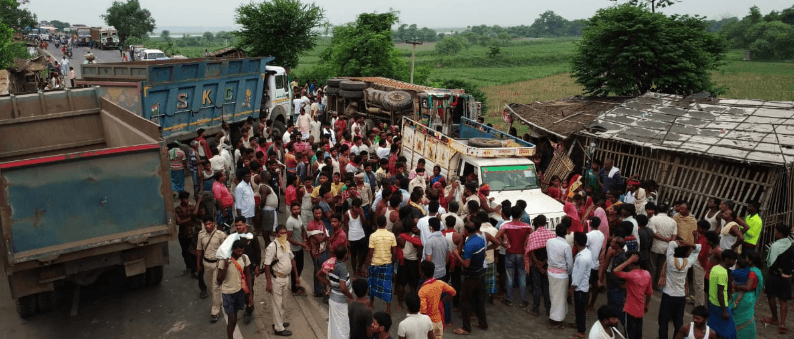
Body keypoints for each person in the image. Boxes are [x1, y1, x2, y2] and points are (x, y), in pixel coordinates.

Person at [658, 240, 701, 339]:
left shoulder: (670, 261)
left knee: (663, 322)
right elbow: (698, 249)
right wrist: (689, 243)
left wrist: (678, 243)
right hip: (680, 297)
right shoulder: (687, 263)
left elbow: (671, 244)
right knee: (678, 323)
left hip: (668, 296)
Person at [451, 221, 488, 335]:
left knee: (465, 301)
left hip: (471, 276)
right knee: (479, 300)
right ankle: (483, 323)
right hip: (480, 273)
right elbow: (484, 254)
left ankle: (466, 328)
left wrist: (457, 255)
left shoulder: (469, 245)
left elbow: (466, 264)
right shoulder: (481, 239)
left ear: (466, 231)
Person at [263, 225, 300, 337]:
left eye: (285, 233)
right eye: (280, 233)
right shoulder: (272, 246)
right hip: (277, 279)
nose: (283, 235)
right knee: (277, 303)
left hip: (286, 278)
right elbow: (267, 266)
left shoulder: (287, 244)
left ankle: (279, 322)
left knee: (283, 302)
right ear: (276, 234)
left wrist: (296, 277)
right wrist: (268, 283)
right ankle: (278, 328)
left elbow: (292, 260)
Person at [496, 206, 533, 308]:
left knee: (509, 276)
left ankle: (509, 300)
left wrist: (505, 245)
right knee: (522, 277)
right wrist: (526, 245)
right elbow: (533, 236)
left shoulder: (506, 226)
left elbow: (497, 237)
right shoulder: (527, 226)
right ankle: (522, 301)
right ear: (521, 214)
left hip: (510, 253)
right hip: (521, 253)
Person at [761, 224, 793, 335]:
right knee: (783, 300)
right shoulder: (790, 244)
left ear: (780, 234)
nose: (775, 233)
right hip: (787, 276)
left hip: (775, 276)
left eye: (776, 231)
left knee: (771, 297)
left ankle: (775, 318)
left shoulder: (775, 246)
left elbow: (771, 263)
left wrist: (779, 272)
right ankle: (782, 323)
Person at [612, 251, 652, 339]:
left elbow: (615, 271)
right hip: (640, 310)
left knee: (629, 335)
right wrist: (647, 304)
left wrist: (628, 261)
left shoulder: (632, 275)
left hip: (630, 309)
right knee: (638, 334)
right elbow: (649, 293)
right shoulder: (647, 274)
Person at [316, 246, 353, 339]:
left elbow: (318, 274)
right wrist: (350, 295)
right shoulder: (342, 268)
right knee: (343, 327)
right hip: (340, 302)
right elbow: (343, 288)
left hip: (333, 299)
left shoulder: (331, 262)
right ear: (345, 255)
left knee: (335, 326)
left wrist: (328, 282)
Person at [217, 240, 251, 339]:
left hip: (239, 291)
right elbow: (219, 280)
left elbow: (248, 275)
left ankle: (230, 334)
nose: (240, 253)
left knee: (234, 317)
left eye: (242, 251)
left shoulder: (244, 258)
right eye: (238, 251)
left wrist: (250, 294)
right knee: (231, 318)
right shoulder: (223, 260)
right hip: (227, 293)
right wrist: (225, 267)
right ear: (233, 250)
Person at [196, 216, 227, 322]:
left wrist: (225, 264)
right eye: (206, 224)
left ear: (214, 224)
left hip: (217, 264)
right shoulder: (201, 235)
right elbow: (199, 249)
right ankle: (220, 300)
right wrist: (198, 263)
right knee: (211, 286)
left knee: (215, 287)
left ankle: (215, 311)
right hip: (206, 263)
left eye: (210, 224)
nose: (208, 226)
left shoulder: (220, 235)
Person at [524, 215, 555, 317]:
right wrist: (544, 263)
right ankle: (548, 310)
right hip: (547, 263)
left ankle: (535, 309)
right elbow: (552, 252)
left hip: (536, 264)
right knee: (546, 287)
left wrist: (538, 264)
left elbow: (530, 251)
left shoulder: (533, 235)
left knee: (536, 287)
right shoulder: (551, 234)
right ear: (545, 223)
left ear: (536, 223)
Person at [366, 216, 397, 314]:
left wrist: (367, 266)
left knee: (372, 284)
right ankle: (388, 309)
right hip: (387, 264)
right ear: (386, 224)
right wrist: (391, 262)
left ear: (377, 224)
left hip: (375, 264)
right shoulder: (391, 235)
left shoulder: (372, 236)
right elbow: (394, 252)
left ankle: (371, 303)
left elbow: (371, 253)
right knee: (388, 286)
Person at [234, 218, 262, 324]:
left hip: (250, 267)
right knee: (241, 288)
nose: (238, 227)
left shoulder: (252, 236)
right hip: (238, 268)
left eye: (240, 225)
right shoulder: (235, 236)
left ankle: (249, 308)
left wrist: (257, 266)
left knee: (249, 289)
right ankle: (248, 304)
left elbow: (258, 251)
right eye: (236, 225)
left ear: (245, 225)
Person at [418, 261, 455, 339]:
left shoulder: (422, 290)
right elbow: (453, 292)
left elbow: (423, 311)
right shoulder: (440, 283)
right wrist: (443, 300)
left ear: (423, 273)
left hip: (428, 323)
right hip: (438, 321)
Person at [707, 249, 738, 339]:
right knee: (731, 332)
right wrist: (724, 310)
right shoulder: (722, 273)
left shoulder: (715, 268)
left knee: (713, 328)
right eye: (733, 260)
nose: (734, 263)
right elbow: (720, 292)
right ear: (727, 259)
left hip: (712, 302)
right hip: (720, 305)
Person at [546, 223, 573, 328]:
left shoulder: (549, 242)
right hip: (562, 275)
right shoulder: (566, 246)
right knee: (560, 298)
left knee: (554, 296)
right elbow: (570, 264)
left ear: (556, 232)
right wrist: (569, 273)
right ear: (566, 232)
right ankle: (555, 320)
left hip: (551, 272)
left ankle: (556, 318)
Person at [731, 253, 763, 338]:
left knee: (738, 317)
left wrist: (736, 286)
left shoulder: (752, 272)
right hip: (750, 297)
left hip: (745, 297)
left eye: (747, 258)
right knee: (747, 318)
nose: (745, 260)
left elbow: (748, 287)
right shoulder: (757, 270)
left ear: (751, 260)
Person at [571, 232, 596, 339]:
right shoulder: (586, 252)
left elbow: (578, 275)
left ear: (576, 242)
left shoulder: (582, 258)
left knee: (580, 310)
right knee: (578, 308)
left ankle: (581, 332)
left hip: (580, 287)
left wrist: (571, 288)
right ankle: (578, 324)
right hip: (582, 286)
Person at [650, 203, 678, 290]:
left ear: (657, 210)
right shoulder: (673, 221)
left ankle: (650, 284)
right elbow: (674, 235)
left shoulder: (653, 219)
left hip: (655, 246)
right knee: (662, 267)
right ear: (666, 210)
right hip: (667, 247)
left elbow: (653, 233)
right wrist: (670, 242)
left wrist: (664, 239)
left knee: (653, 266)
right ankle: (657, 285)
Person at [175, 191, 198, 277]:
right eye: (185, 198)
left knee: (192, 251)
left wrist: (185, 221)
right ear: (181, 199)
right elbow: (178, 222)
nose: (187, 200)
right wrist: (190, 219)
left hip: (191, 233)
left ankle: (193, 268)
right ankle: (190, 266)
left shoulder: (192, 207)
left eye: (188, 198)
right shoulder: (177, 209)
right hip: (183, 234)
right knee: (185, 252)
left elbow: (181, 221)